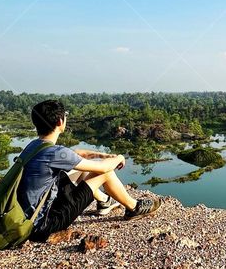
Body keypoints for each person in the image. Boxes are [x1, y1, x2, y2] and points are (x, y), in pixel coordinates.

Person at [18, 99, 160, 242]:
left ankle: (104, 201)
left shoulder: (35, 146)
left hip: (28, 218)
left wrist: (103, 155)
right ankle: (134, 208)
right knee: (106, 173)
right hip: (44, 225)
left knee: (80, 170)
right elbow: (104, 168)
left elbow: (77, 154)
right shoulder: (54, 153)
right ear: (60, 122)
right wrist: (119, 158)